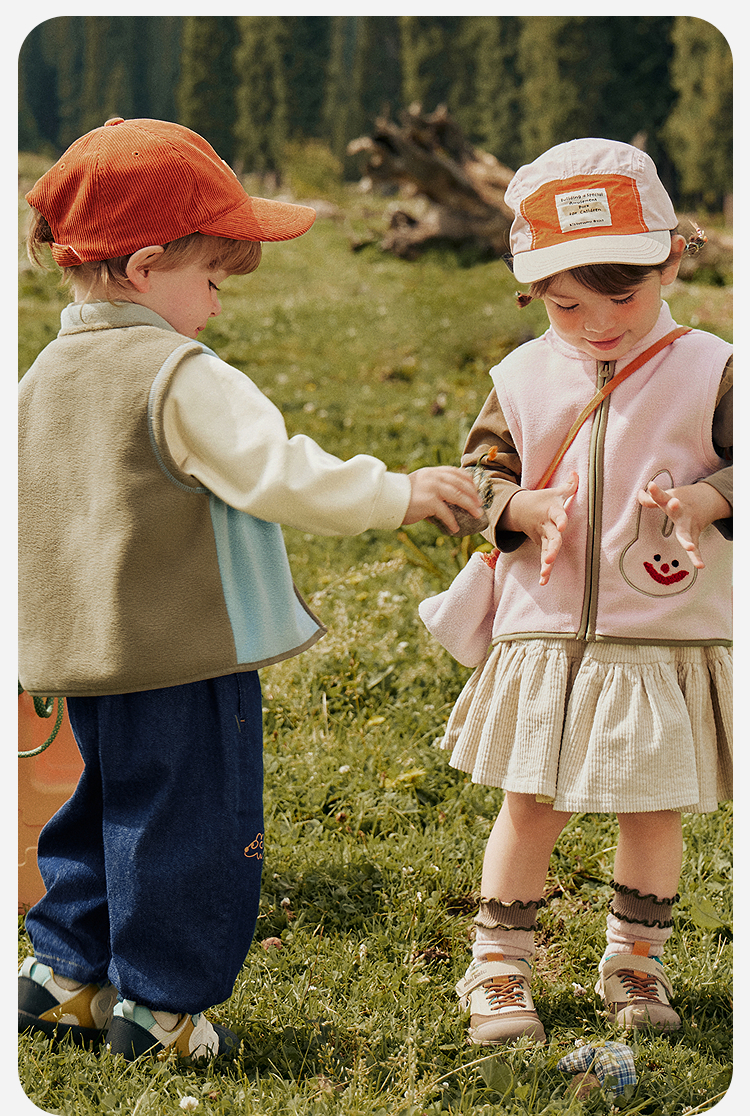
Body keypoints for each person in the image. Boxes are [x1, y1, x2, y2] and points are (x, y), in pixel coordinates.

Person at [17, 117, 483, 1062]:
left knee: (103, 804)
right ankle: (161, 1008)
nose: (217, 307)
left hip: (85, 658)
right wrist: (398, 493)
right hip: (184, 654)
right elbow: (280, 472)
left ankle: (64, 976)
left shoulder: (40, 377)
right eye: (212, 280)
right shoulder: (181, 375)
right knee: (191, 824)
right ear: (146, 267)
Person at [432, 138, 732, 1044]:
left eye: (623, 299)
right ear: (533, 292)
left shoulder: (714, 370)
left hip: (663, 634)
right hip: (546, 632)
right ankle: (497, 968)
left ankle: (636, 962)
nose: (598, 325)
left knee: (653, 806)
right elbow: (482, 474)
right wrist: (516, 507)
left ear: (671, 260)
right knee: (532, 802)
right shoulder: (521, 379)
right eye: (568, 306)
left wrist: (709, 498)